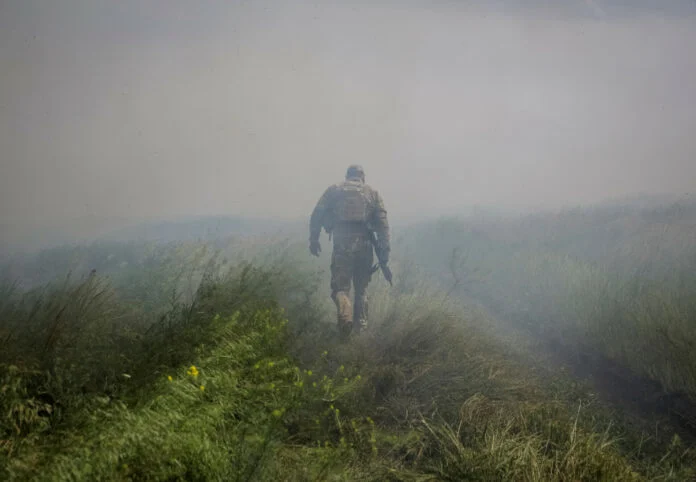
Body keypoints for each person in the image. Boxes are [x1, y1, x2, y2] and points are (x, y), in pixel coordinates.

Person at [309, 165, 391, 337]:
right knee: (361, 289)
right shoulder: (373, 193)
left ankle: (345, 318)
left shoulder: (335, 190)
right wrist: (384, 256)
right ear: (363, 177)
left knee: (341, 288)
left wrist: (314, 239)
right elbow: (383, 226)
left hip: (342, 244)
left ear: (347, 176)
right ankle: (360, 331)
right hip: (365, 246)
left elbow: (317, 214)